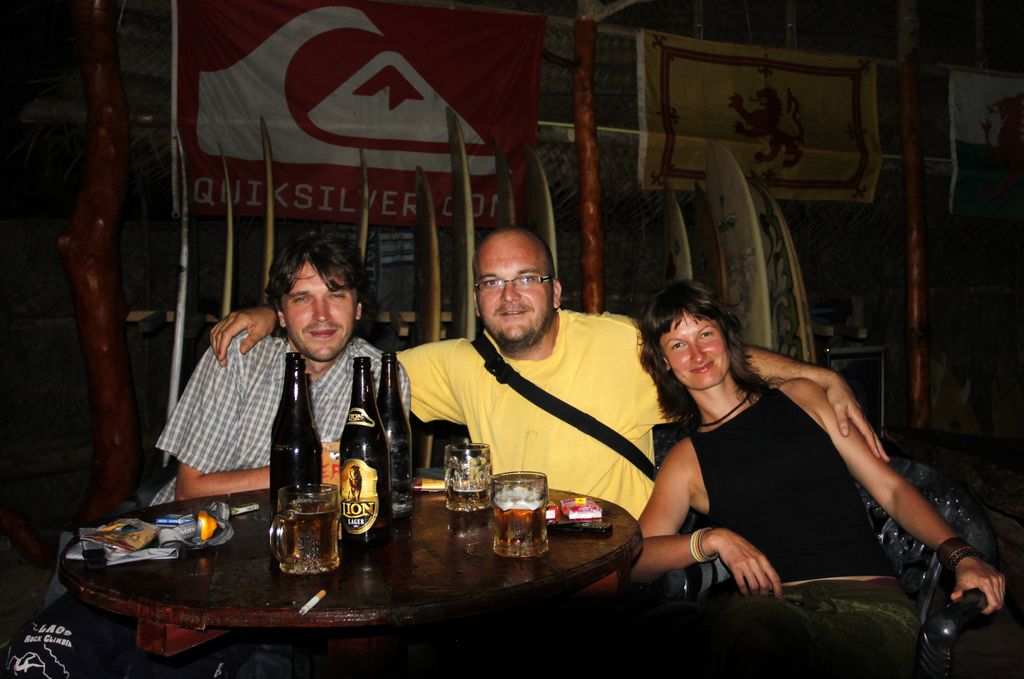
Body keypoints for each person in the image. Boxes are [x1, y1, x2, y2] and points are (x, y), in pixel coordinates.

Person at [211, 226, 880, 519]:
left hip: (623, 559)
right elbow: (335, 344)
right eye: (493, 284)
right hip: (517, 558)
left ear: (555, 291)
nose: (509, 296)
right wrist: (270, 316)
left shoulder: (618, 343)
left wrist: (814, 377)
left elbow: (714, 356)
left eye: (526, 279)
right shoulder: (455, 363)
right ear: (477, 300)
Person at [3, 233, 409, 679]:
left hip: (271, 565)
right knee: (43, 657)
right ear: (280, 312)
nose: (320, 315)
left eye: (336, 295)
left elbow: (354, 500)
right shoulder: (238, 352)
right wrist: (313, 469)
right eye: (301, 298)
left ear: (358, 307)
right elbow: (190, 487)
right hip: (180, 541)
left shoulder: (380, 379)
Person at [632, 280, 1004, 677]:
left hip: (869, 600)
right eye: (678, 344)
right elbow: (636, 561)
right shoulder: (686, 461)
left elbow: (891, 490)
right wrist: (710, 540)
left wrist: (961, 555)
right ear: (665, 363)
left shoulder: (800, 396)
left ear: (728, 338)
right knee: (757, 649)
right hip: (771, 609)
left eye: (706, 333)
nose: (697, 353)